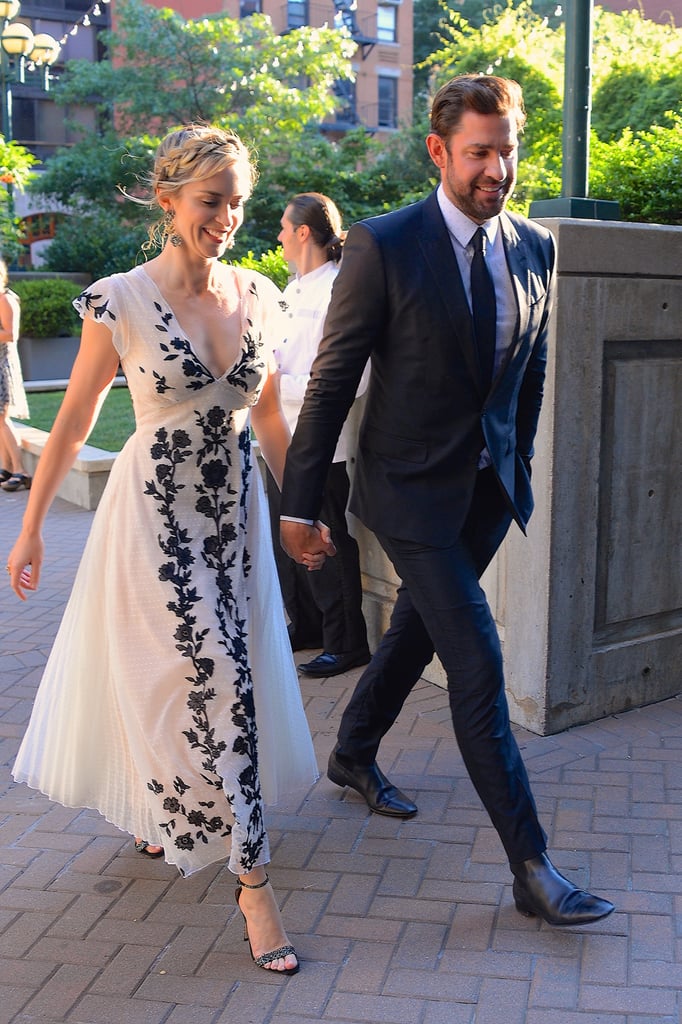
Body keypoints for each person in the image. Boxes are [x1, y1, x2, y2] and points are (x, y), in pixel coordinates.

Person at [280, 75, 615, 927]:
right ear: (437, 151)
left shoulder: (535, 245)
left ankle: (353, 753)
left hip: (486, 492)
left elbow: (530, 369)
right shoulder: (384, 244)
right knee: (476, 660)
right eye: (479, 152)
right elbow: (330, 383)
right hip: (406, 491)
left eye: (507, 148)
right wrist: (300, 500)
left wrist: (520, 460)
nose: (497, 167)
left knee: (418, 629)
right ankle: (532, 867)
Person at [6, 125, 328, 975]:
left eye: (238, 201)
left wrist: (302, 508)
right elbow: (73, 419)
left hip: (236, 519)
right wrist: (32, 525)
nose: (226, 217)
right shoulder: (121, 299)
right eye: (210, 200)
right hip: (154, 521)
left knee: (231, 674)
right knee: (208, 676)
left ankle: (165, 813)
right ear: (169, 200)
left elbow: (266, 418)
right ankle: (254, 882)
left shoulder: (260, 295)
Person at [266, 192, 370, 676]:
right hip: (277, 436)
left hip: (320, 439)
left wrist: (271, 383)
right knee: (284, 537)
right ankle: (305, 626)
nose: (280, 235)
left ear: (304, 232)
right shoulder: (291, 291)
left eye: (284, 227)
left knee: (326, 539)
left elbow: (355, 375)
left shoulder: (337, 290)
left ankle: (347, 643)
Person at [0, 258, 31, 492]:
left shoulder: (6, 298)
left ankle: (21, 471)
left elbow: (11, 334)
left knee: (2, 417)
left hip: (3, 364)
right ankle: (7, 467)